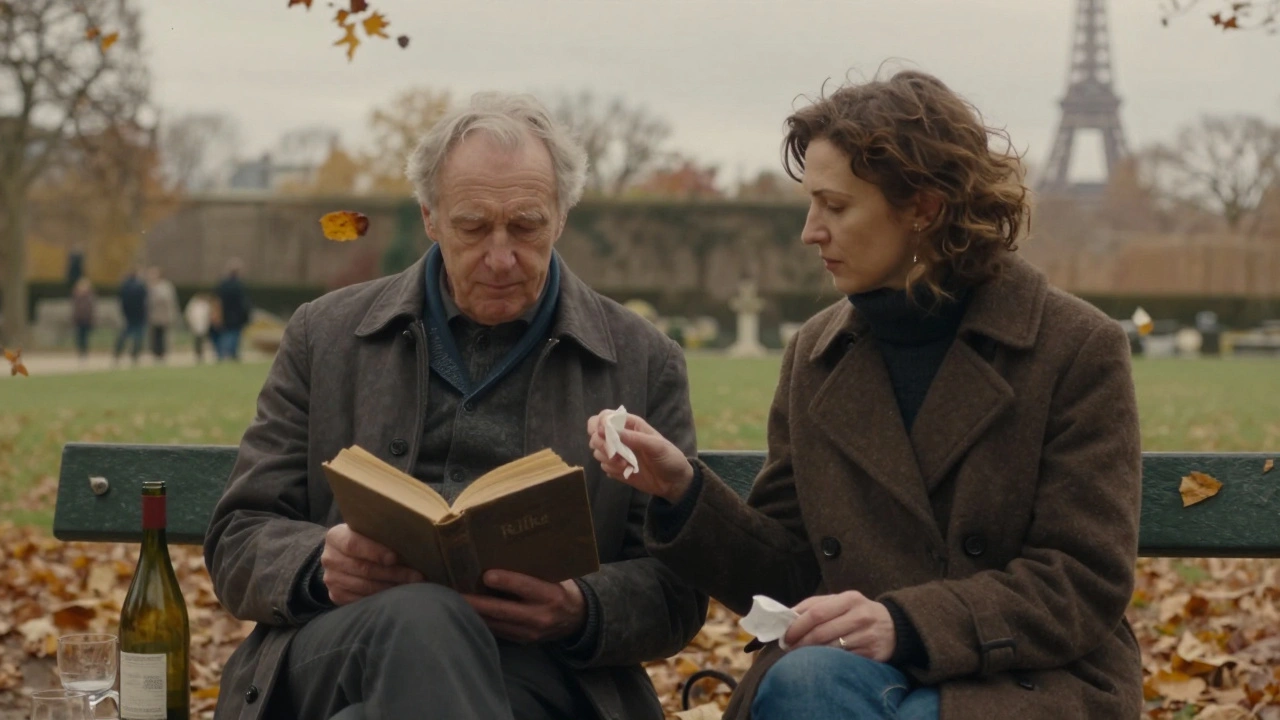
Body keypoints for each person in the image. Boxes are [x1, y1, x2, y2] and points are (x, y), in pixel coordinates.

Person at [589, 69, 1142, 720]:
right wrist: (683, 492)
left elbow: (1080, 579)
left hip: (1025, 678)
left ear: (923, 208)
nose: (810, 231)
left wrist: (904, 622)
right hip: (847, 673)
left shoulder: (1075, 348)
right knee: (804, 685)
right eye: (811, 203)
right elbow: (790, 576)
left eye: (836, 205)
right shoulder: (817, 355)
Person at [202, 91, 707, 720]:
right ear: (430, 218)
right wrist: (317, 563)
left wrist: (580, 608)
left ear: (561, 218)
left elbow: (676, 590)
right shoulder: (324, 336)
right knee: (421, 617)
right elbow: (238, 537)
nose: (500, 256)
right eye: (472, 227)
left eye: (526, 225)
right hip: (340, 649)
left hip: (541, 673)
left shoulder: (642, 360)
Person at [214, 258, 250, 361]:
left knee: (226, 335)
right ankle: (230, 354)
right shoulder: (239, 285)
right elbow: (244, 303)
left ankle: (224, 354)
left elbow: (217, 300)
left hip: (225, 315)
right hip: (236, 316)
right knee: (233, 335)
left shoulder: (222, 284)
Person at [113, 267, 147, 365]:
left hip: (128, 315)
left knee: (124, 335)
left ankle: (117, 353)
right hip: (138, 315)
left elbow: (120, 300)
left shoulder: (124, 286)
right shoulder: (140, 286)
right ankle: (134, 355)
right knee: (138, 336)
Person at [145, 266, 178, 362]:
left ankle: (162, 354)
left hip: (164, 317)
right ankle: (155, 354)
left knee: (163, 337)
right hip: (153, 317)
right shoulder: (148, 287)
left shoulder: (166, 286)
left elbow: (169, 301)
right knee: (154, 337)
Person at [70, 277, 96, 360]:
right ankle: (81, 351)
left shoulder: (90, 297)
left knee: (85, 337)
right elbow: (75, 309)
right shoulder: (77, 296)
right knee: (79, 337)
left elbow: (91, 309)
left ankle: (84, 352)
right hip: (79, 319)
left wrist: (92, 318)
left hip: (86, 320)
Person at [184, 292, 213, 363]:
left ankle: (202, 354)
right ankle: (198, 354)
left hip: (203, 326)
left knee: (203, 341)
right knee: (197, 341)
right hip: (196, 326)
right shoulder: (193, 305)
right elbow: (189, 315)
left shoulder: (205, 305)